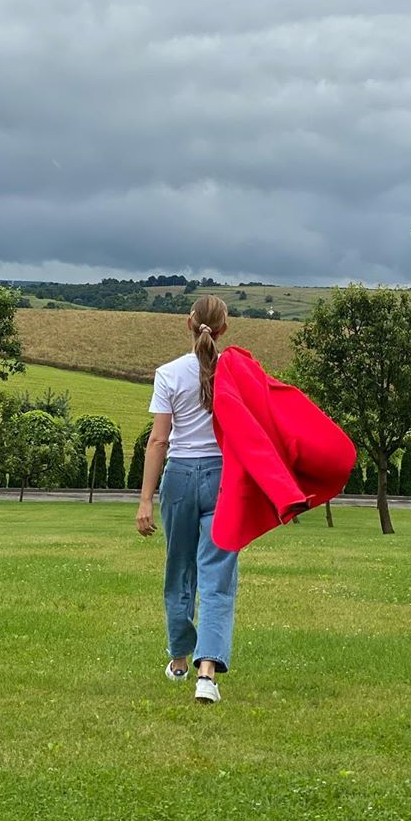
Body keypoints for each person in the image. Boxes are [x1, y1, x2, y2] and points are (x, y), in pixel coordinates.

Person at [136, 293, 236, 705]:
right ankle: (207, 672)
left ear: (188, 324)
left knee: (179, 570)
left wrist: (145, 500)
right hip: (222, 478)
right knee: (217, 577)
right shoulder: (234, 372)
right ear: (224, 329)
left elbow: (159, 440)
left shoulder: (168, 373)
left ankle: (179, 659)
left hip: (177, 477)